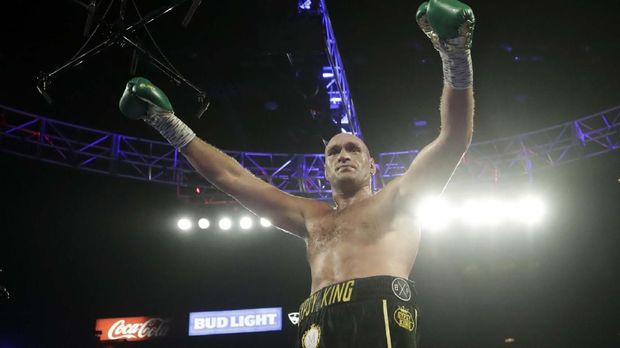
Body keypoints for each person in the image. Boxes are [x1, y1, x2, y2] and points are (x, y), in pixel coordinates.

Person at [118, 0, 475, 346]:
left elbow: (454, 139)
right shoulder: (312, 217)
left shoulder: (399, 199)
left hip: (377, 312)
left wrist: (455, 54)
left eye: (354, 149)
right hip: (315, 323)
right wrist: (166, 123)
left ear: (372, 165)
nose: (343, 154)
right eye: (333, 151)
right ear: (325, 169)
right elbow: (233, 180)